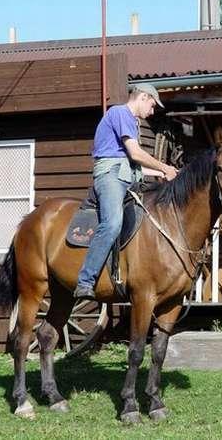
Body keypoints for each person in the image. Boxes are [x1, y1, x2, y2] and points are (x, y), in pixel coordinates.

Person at [74, 83, 178, 299]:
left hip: (127, 177)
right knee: (112, 224)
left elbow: (134, 163)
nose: (152, 111)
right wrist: (164, 167)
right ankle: (86, 280)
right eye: (152, 105)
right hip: (111, 177)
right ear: (143, 97)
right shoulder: (120, 112)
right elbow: (135, 153)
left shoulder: (131, 121)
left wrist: (160, 174)